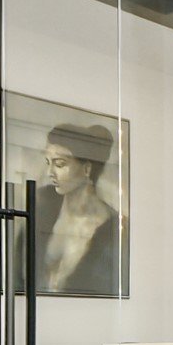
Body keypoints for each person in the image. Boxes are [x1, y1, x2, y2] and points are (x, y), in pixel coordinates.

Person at [34, 122, 122, 295]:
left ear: (87, 168)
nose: (50, 173)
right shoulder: (43, 203)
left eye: (60, 164)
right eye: (48, 162)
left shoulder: (110, 226)